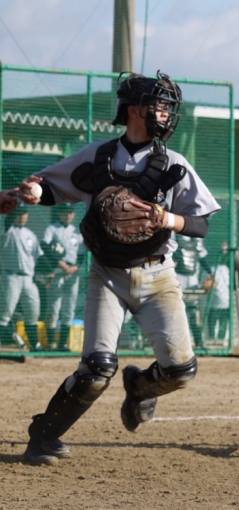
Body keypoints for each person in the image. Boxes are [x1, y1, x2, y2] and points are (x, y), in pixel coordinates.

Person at [18, 71, 221, 466]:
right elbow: (52, 186)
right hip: (107, 275)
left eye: (167, 107)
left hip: (157, 277)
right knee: (96, 369)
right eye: (158, 105)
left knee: (180, 371)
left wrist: (167, 219)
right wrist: (35, 191)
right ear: (133, 111)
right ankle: (42, 437)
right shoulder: (98, 156)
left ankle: (139, 388)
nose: (166, 113)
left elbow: (201, 223)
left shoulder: (173, 164)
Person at [0, 202, 44, 350]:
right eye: (18, 214)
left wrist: (45, 274)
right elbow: (6, 222)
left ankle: (35, 345)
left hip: (29, 278)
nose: (21, 217)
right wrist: (10, 207)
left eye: (23, 214)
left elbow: (38, 257)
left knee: (33, 310)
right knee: (5, 313)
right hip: (11, 277)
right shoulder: (7, 230)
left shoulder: (30, 234)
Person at [41, 203, 84, 351]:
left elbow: (82, 254)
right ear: (59, 213)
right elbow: (44, 246)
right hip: (58, 270)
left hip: (73, 272)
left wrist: (75, 267)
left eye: (70, 212)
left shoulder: (77, 232)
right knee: (54, 307)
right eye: (64, 212)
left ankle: (63, 344)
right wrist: (60, 264)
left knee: (69, 308)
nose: (68, 215)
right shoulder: (52, 228)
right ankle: (51, 343)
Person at [173, 233, 211, 348]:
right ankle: (177, 342)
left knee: (193, 311)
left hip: (192, 278)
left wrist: (210, 272)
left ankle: (198, 341)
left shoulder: (196, 237)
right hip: (178, 276)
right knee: (176, 309)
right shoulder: (174, 235)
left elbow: (202, 257)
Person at [203, 241, 230, 341]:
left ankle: (212, 338)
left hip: (213, 302)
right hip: (226, 301)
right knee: (223, 321)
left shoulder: (209, 270)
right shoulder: (227, 269)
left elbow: (205, 286)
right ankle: (221, 339)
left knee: (212, 320)